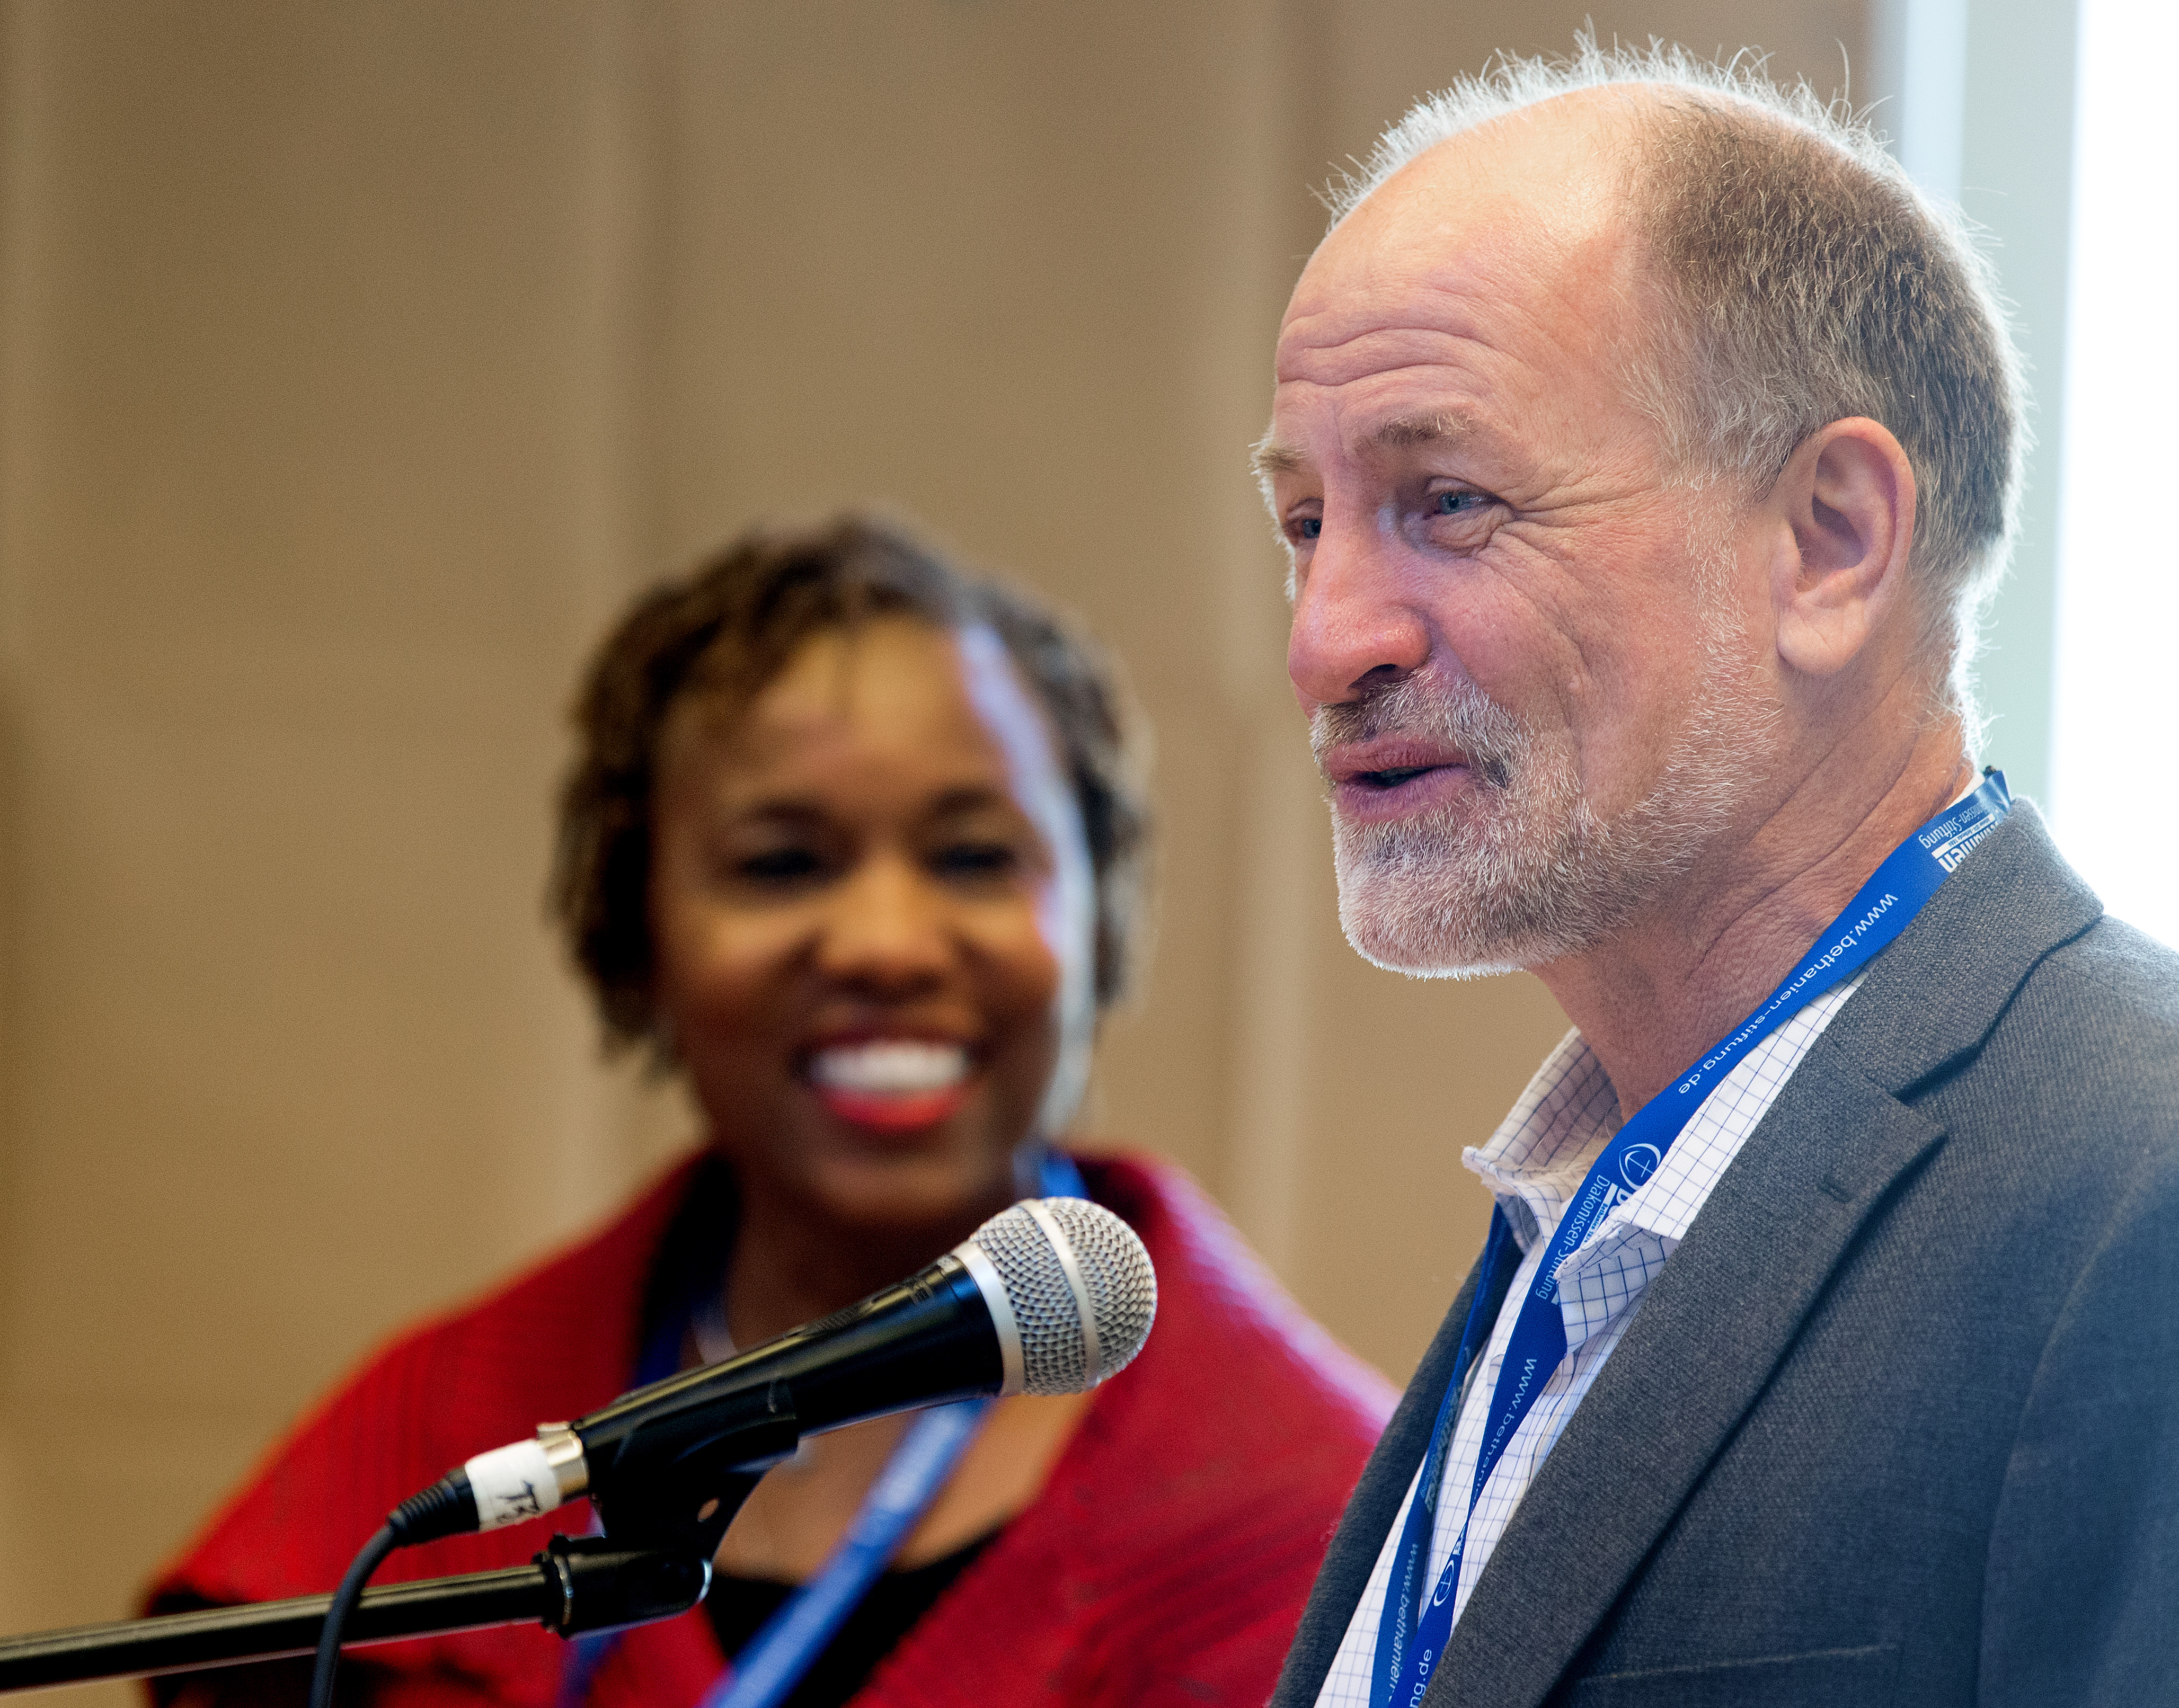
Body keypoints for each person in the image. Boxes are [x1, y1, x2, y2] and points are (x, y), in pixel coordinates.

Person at [1253, 42, 2179, 1708]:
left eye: (1448, 502)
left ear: (1829, 540)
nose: (1326, 641)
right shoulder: (1588, 1212)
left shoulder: (2144, 1187)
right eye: (1308, 522)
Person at [149, 514, 1394, 1708]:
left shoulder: (1350, 1535)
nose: (886, 944)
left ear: (1100, 916)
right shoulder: (427, 1464)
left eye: (972, 856)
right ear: (633, 929)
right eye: (781, 863)